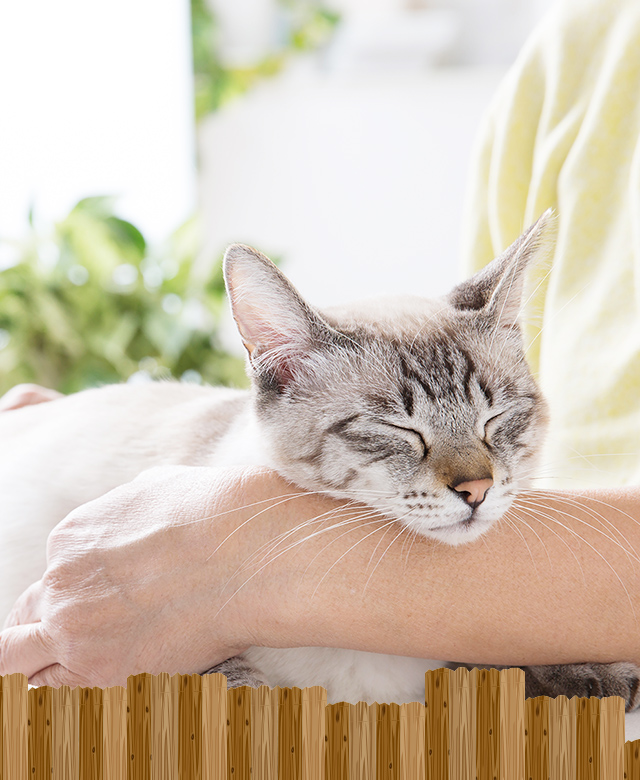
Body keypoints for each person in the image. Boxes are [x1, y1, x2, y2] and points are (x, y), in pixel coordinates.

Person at [1, 0, 639, 691]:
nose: (471, 480)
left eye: (499, 422)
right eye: (398, 433)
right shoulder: (570, 56)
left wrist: (248, 560)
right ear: (282, 368)